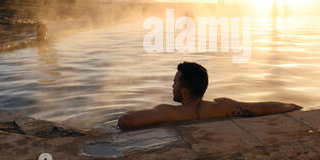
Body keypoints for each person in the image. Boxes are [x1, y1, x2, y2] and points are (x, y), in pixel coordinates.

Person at [117, 62, 302, 129]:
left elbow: (127, 121)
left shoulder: (169, 112)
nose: (172, 86)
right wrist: (290, 106)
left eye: (174, 83)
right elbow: (262, 107)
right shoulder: (223, 106)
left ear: (185, 92)